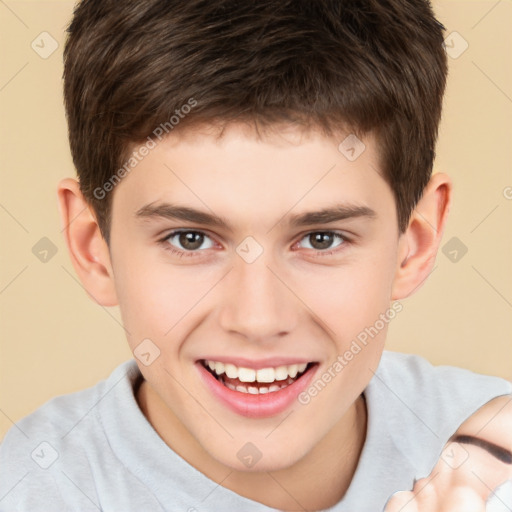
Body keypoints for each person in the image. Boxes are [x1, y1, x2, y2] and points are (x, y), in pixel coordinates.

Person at [0, 1, 510, 510]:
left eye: (321, 239)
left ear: (413, 243)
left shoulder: (492, 456)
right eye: (190, 239)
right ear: (95, 248)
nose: (258, 319)